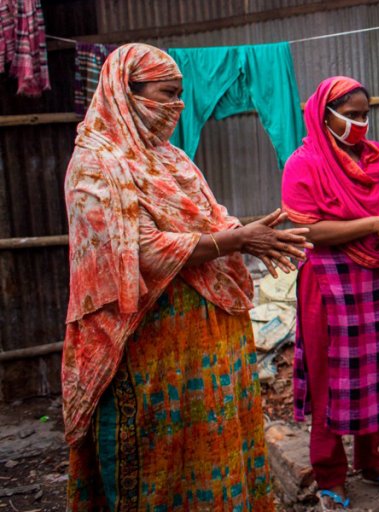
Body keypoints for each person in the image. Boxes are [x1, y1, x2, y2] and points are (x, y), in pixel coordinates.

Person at [63, 43, 311, 511]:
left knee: (214, 454)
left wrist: (248, 232)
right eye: (166, 94)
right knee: (157, 462)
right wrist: (239, 241)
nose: (176, 107)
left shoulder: (173, 158)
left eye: (181, 95)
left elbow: (213, 218)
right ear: (125, 92)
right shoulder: (97, 165)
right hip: (146, 348)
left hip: (208, 346)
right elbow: (139, 252)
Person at [282, 76, 379, 510]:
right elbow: (306, 229)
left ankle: (370, 456)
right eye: (352, 115)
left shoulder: (374, 158)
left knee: (374, 370)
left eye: (365, 115)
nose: (361, 123)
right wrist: (375, 225)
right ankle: (330, 472)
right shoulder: (303, 163)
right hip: (327, 278)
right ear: (324, 115)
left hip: (373, 276)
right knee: (331, 375)